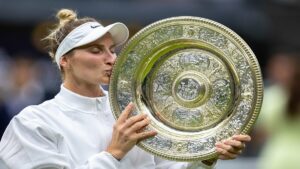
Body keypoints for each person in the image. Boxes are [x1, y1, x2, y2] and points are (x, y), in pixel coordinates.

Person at [0, 9, 251, 169]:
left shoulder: (137, 113)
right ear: (64, 60)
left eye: (112, 50)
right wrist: (114, 153)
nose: (111, 58)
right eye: (96, 50)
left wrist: (206, 156)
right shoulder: (33, 123)